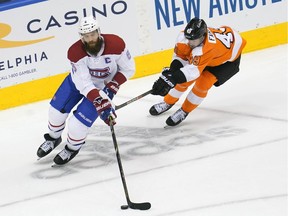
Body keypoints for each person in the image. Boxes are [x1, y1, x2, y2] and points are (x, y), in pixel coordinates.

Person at [37, 15, 135, 165]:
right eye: (86, 36)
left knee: (77, 125)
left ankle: (71, 148)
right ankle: (53, 138)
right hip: (78, 83)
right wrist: (98, 100)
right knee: (55, 113)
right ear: (81, 37)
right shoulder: (75, 52)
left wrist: (111, 87)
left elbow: (129, 69)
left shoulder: (116, 44)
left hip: (103, 87)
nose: (90, 39)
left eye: (93, 34)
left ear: (99, 32)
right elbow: (83, 83)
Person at [150, 17, 246, 126]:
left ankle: (184, 111)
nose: (190, 42)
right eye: (189, 38)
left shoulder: (207, 48)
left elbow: (192, 72)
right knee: (182, 79)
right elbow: (180, 58)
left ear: (202, 37)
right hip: (214, 53)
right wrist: (170, 75)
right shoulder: (183, 38)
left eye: (194, 40)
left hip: (227, 60)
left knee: (203, 83)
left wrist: (173, 78)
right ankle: (167, 102)